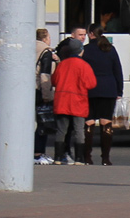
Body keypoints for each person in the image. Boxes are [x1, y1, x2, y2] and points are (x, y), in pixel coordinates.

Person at [81, 24, 124, 165]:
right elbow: (118, 70)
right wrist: (119, 91)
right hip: (108, 89)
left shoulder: (85, 50)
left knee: (89, 122)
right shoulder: (110, 49)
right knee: (106, 122)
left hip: (89, 89)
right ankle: (105, 158)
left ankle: (87, 157)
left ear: (91, 34)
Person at [51, 37, 96, 165]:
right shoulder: (84, 65)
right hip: (78, 101)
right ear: (80, 51)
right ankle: (79, 159)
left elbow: (54, 81)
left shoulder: (62, 64)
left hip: (62, 100)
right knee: (79, 130)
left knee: (61, 130)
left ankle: (58, 158)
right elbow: (91, 83)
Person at [34, 29, 57, 165]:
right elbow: (45, 75)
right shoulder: (46, 52)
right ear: (45, 39)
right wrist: (47, 95)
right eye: (49, 37)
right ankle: (39, 153)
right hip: (39, 90)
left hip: (25, 89)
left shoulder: (28, 47)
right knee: (43, 123)